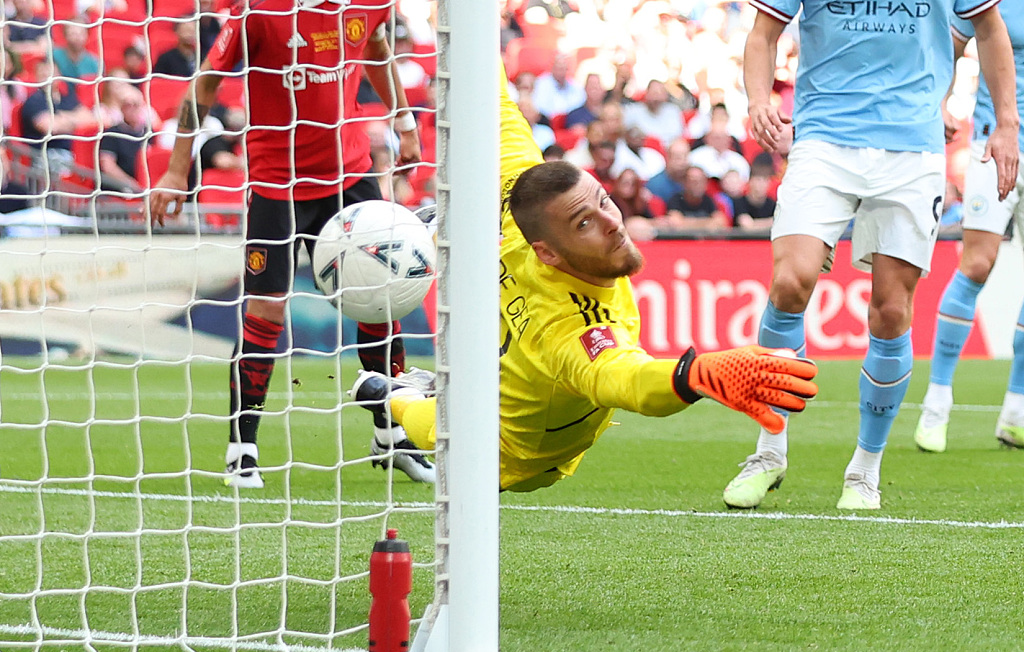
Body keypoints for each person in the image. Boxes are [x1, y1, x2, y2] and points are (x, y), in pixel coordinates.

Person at [349, 67, 819, 494]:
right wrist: (695, 374)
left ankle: (425, 364)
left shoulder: (524, 194)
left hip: (522, 372)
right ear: (547, 251)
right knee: (430, 418)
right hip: (515, 456)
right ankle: (393, 396)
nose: (612, 221)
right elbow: (628, 379)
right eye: (584, 223)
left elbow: (489, 97)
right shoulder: (573, 328)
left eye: (602, 201)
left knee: (480, 343)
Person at [721, 0, 1018, 511]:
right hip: (822, 141)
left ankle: (865, 469)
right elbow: (762, 35)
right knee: (790, 282)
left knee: (890, 311)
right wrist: (756, 99)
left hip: (911, 150)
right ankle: (768, 452)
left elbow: (990, 32)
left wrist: (1007, 122)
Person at [148, 0, 427, 488]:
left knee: (380, 299)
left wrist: (404, 125)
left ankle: (392, 432)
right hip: (279, 183)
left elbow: (377, 49)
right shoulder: (257, 12)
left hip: (350, 172)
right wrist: (175, 168)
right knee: (267, 309)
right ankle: (243, 448)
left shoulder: (369, 4)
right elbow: (205, 83)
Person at [916, 9, 1024, 453]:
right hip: (991, 141)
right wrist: (939, 102)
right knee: (977, 264)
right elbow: (953, 46)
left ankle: (1016, 412)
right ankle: (936, 403)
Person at [98, 85, 147, 193]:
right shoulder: (112, 134)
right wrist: (131, 184)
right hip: (120, 188)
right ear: (121, 108)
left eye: (136, 104)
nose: (132, 109)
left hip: (145, 185)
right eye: (127, 105)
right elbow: (108, 166)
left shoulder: (149, 133)